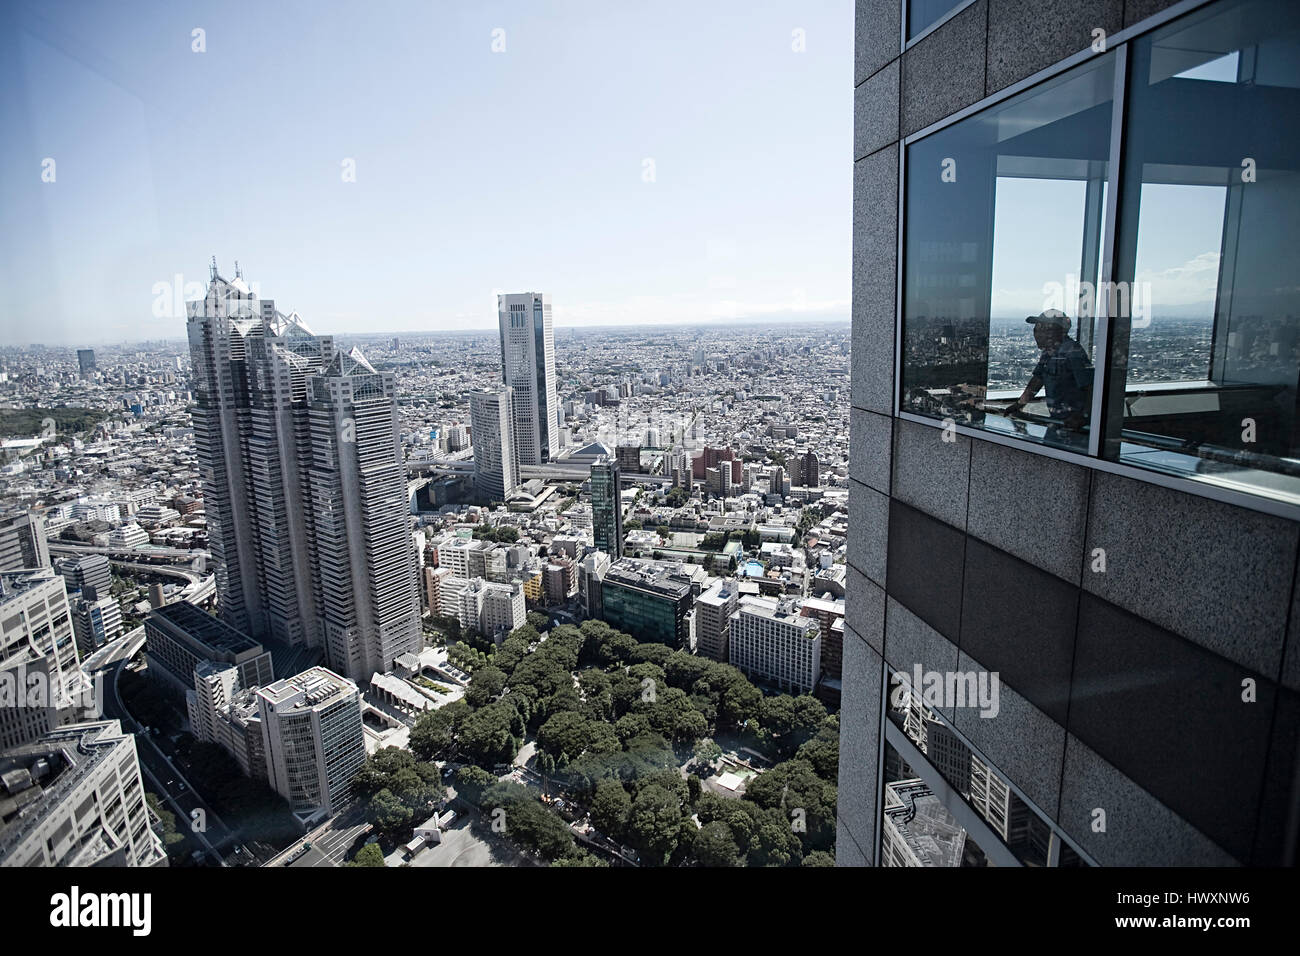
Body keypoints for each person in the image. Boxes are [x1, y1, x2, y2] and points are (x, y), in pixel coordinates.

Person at [1004, 309, 1092, 441]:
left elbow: (1090, 388)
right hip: (1058, 423)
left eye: (1042, 328)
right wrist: (1019, 404)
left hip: (1074, 427)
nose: (1036, 333)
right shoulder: (1049, 353)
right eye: (1036, 328)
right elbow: (1037, 380)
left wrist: (1083, 416)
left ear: (1057, 331)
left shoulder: (1072, 352)